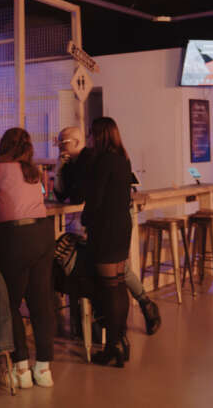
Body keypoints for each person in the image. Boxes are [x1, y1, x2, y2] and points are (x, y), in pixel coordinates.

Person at [54, 126, 161, 335]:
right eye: (57, 142)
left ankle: (137, 310)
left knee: (116, 272)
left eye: (63, 142)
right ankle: (117, 319)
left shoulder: (91, 159)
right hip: (93, 221)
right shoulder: (70, 163)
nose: (59, 147)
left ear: (77, 141)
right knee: (107, 272)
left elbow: (79, 195)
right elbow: (62, 195)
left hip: (105, 221)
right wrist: (59, 168)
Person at [0, 127, 55, 389]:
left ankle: (21, 369)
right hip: (43, 235)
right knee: (41, 304)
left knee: (9, 304)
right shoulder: (33, 171)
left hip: (15, 239)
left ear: (3, 144)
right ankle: (44, 369)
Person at [79, 117, 133, 367]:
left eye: (91, 134)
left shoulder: (103, 161)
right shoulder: (123, 158)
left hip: (106, 229)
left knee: (108, 289)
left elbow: (95, 198)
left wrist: (85, 219)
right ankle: (121, 341)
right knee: (119, 285)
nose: (89, 138)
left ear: (99, 136)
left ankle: (112, 347)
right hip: (122, 226)